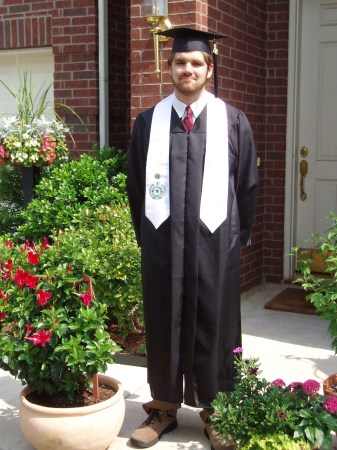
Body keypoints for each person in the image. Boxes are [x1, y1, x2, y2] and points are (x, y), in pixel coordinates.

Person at [127, 27, 258, 449]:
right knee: (163, 315)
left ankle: (216, 410)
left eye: (196, 63)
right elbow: (135, 185)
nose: (188, 69)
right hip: (163, 241)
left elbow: (247, 184)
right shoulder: (149, 122)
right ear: (169, 68)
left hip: (215, 243)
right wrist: (147, 236)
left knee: (215, 321)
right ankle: (163, 406)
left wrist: (238, 238)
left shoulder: (232, 121)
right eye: (180, 62)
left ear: (209, 68)